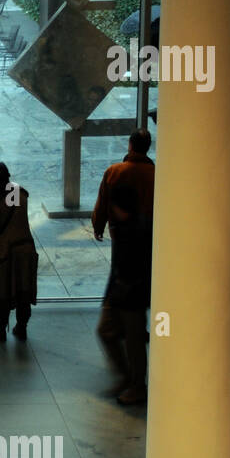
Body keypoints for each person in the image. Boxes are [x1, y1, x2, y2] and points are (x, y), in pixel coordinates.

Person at [92, 128, 155, 405]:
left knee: (124, 330)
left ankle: (133, 381)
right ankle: (132, 378)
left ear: (130, 144)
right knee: (131, 328)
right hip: (150, 250)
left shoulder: (115, 171)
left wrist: (98, 225)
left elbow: (102, 201)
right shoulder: (157, 174)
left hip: (128, 274)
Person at [0, 162, 38, 341]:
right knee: (24, 288)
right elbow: (15, 215)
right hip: (26, 247)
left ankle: (0, 329)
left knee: (4, 290)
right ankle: (21, 327)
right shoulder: (19, 192)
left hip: (6, 251)